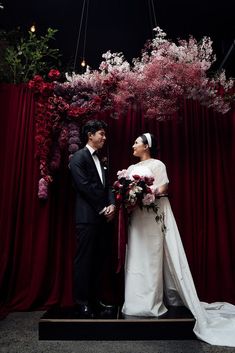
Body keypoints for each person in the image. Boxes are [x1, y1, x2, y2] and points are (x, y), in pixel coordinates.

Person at [121, 132, 235, 347]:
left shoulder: (158, 164)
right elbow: (126, 193)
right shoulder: (130, 169)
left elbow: (164, 187)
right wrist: (129, 197)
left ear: (146, 146)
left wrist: (147, 191)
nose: (133, 145)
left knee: (153, 256)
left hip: (153, 214)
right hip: (136, 217)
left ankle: (152, 303)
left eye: (136, 142)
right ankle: (135, 303)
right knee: (136, 254)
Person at [69, 119, 116, 318]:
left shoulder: (102, 160)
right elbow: (84, 186)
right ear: (90, 135)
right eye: (101, 134)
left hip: (103, 218)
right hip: (88, 218)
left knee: (99, 261)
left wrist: (112, 204)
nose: (104, 138)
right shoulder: (78, 157)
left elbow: (108, 187)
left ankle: (96, 300)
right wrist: (103, 208)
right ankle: (82, 302)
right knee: (84, 261)